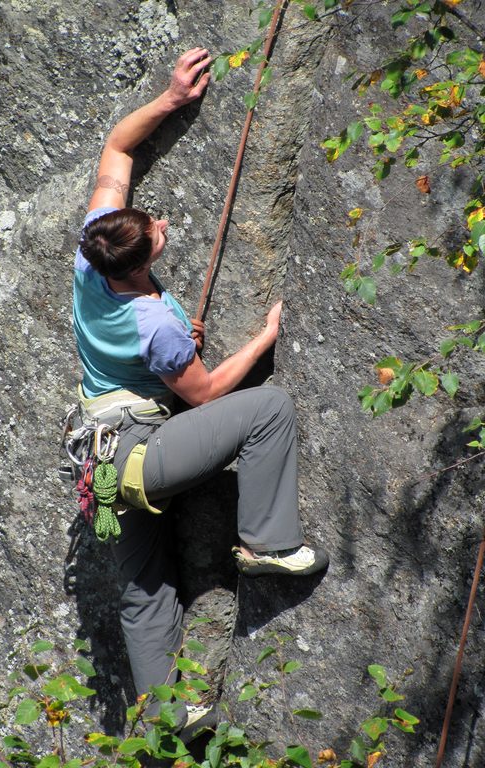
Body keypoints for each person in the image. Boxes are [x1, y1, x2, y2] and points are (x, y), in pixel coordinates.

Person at [72, 48, 328, 731]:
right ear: (145, 254)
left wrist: (171, 99)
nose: (160, 224)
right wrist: (265, 338)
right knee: (268, 408)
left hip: (99, 460)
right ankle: (268, 543)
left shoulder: (89, 255)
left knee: (142, 588)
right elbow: (208, 393)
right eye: (156, 229)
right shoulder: (153, 323)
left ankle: (168, 719)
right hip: (142, 453)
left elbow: (115, 152)